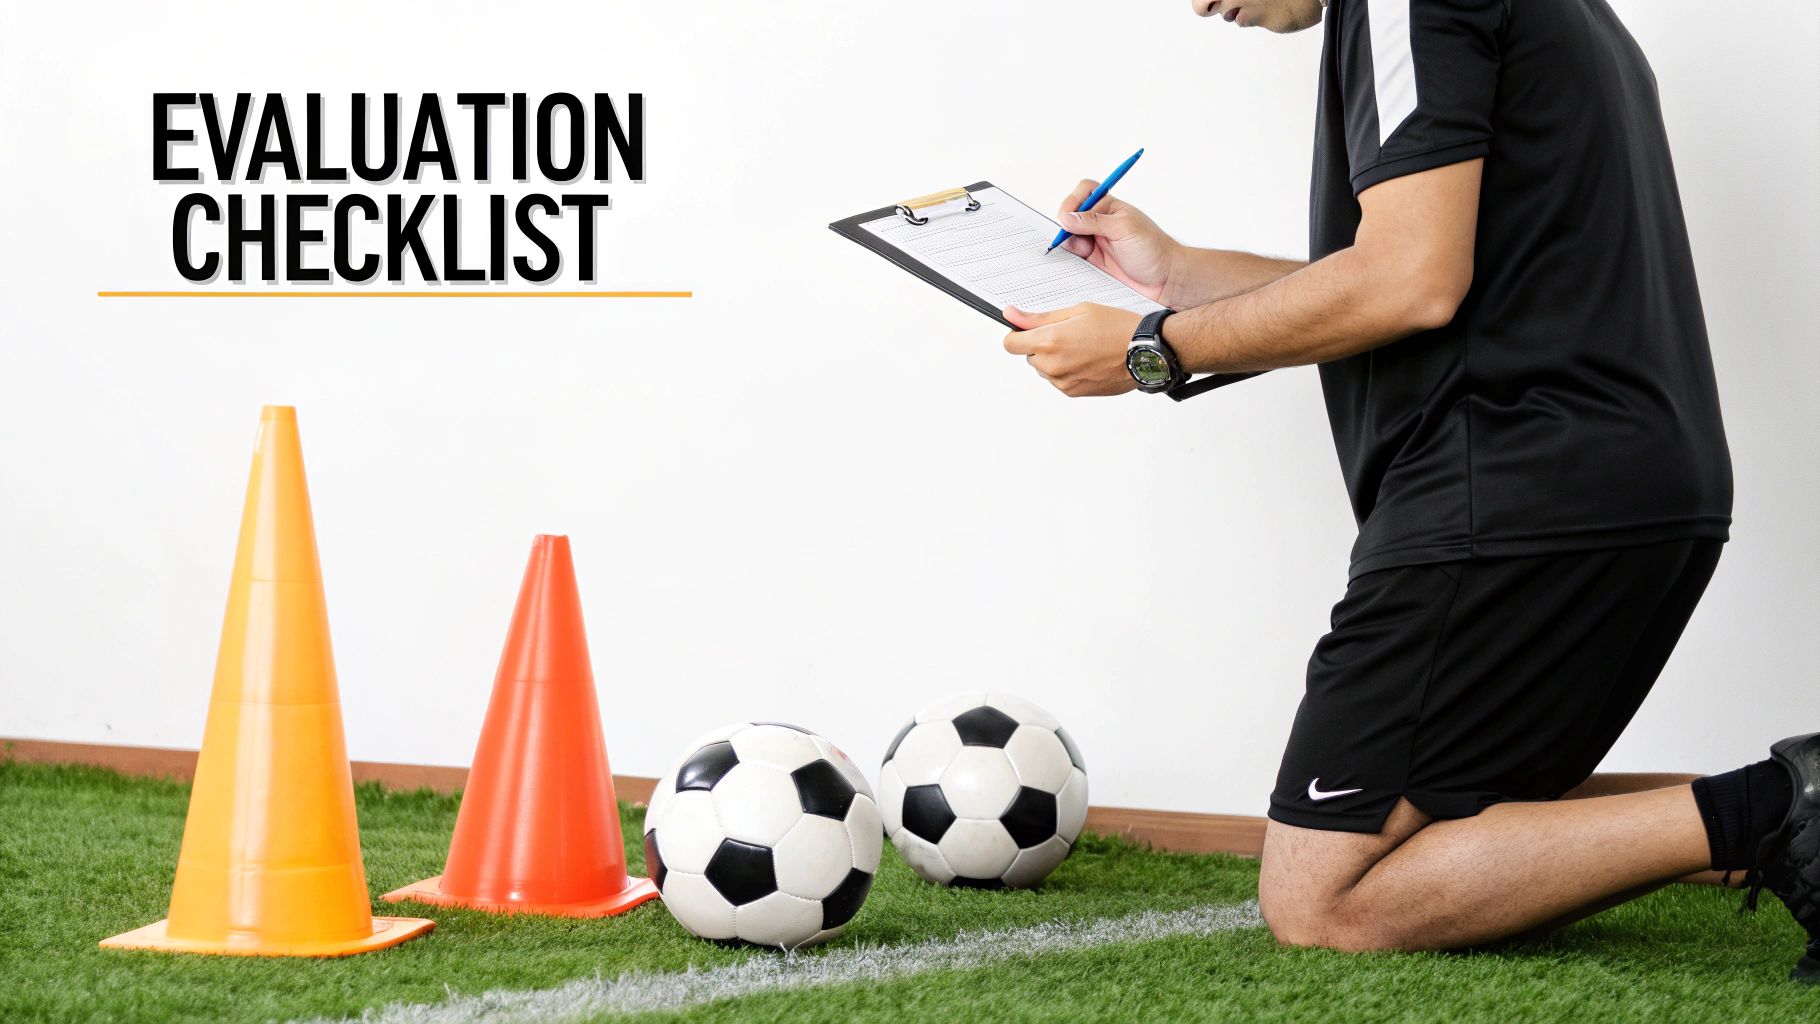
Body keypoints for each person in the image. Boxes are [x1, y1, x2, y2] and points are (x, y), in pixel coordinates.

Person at [999, 0, 1818, 980]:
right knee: (1450, 823)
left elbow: (1408, 281)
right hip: (1621, 484)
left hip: (1512, 492)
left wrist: (1151, 351)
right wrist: (1171, 279)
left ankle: (1780, 805)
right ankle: (1774, 803)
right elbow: (1423, 284)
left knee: (1321, 892)